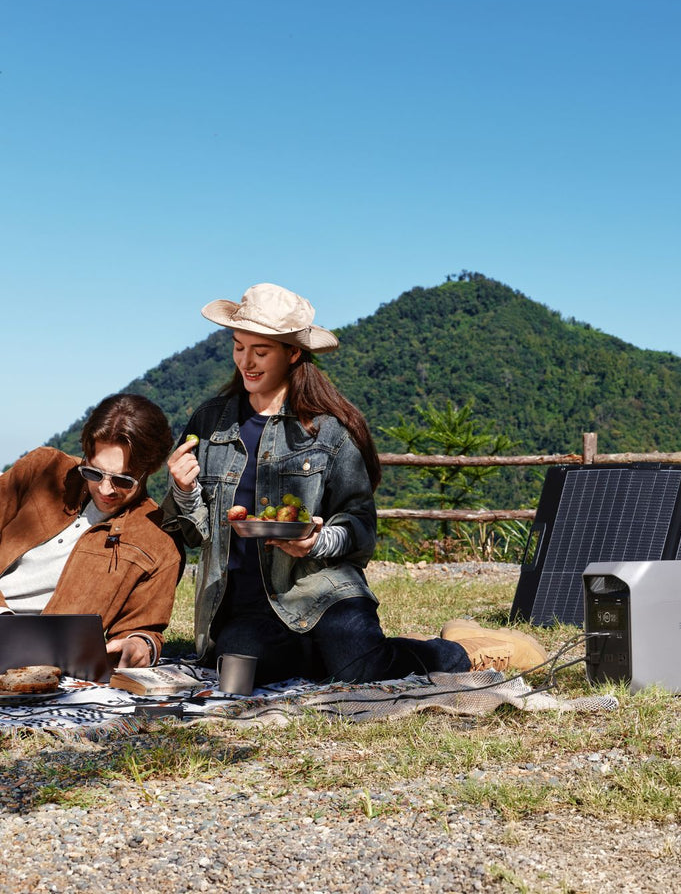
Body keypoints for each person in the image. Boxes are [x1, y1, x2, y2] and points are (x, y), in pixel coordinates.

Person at [162, 282, 545, 686]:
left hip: (324, 589)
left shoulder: (329, 431)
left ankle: (468, 650)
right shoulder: (210, 423)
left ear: (293, 354)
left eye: (261, 351)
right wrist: (184, 491)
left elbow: (360, 528)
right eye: (239, 347)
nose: (247, 362)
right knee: (240, 671)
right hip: (246, 606)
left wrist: (316, 542)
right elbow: (192, 535)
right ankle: (360, 649)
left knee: (361, 671)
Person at [0, 393, 184, 668]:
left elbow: (145, 630)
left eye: (123, 479)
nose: (106, 489)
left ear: (150, 469)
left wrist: (139, 645)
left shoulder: (159, 540)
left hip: (44, 664)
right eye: (94, 473)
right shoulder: (42, 468)